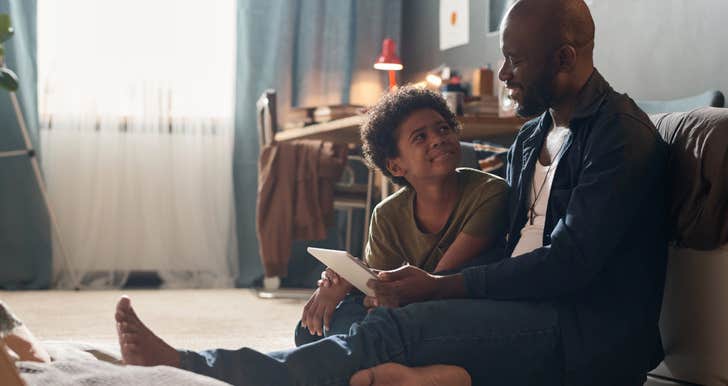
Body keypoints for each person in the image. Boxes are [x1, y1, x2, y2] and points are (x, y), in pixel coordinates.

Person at [115, 0, 669, 385]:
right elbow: (508, 239)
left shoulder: (620, 137)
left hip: (581, 335)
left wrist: (441, 288)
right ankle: (439, 379)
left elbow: (568, 266)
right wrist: (358, 281)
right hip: (517, 307)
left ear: (565, 59)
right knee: (341, 318)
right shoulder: (532, 134)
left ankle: (193, 367)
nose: (502, 73)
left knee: (394, 329)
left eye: (515, 60)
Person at [295, 87, 509, 344]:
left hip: (450, 306)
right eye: (420, 137)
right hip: (402, 308)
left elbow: (436, 283)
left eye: (443, 129)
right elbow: (377, 293)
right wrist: (341, 283)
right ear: (396, 165)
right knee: (310, 329)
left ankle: (356, 351)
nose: (438, 139)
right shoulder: (386, 213)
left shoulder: (490, 192)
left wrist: (358, 288)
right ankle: (360, 349)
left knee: (369, 327)